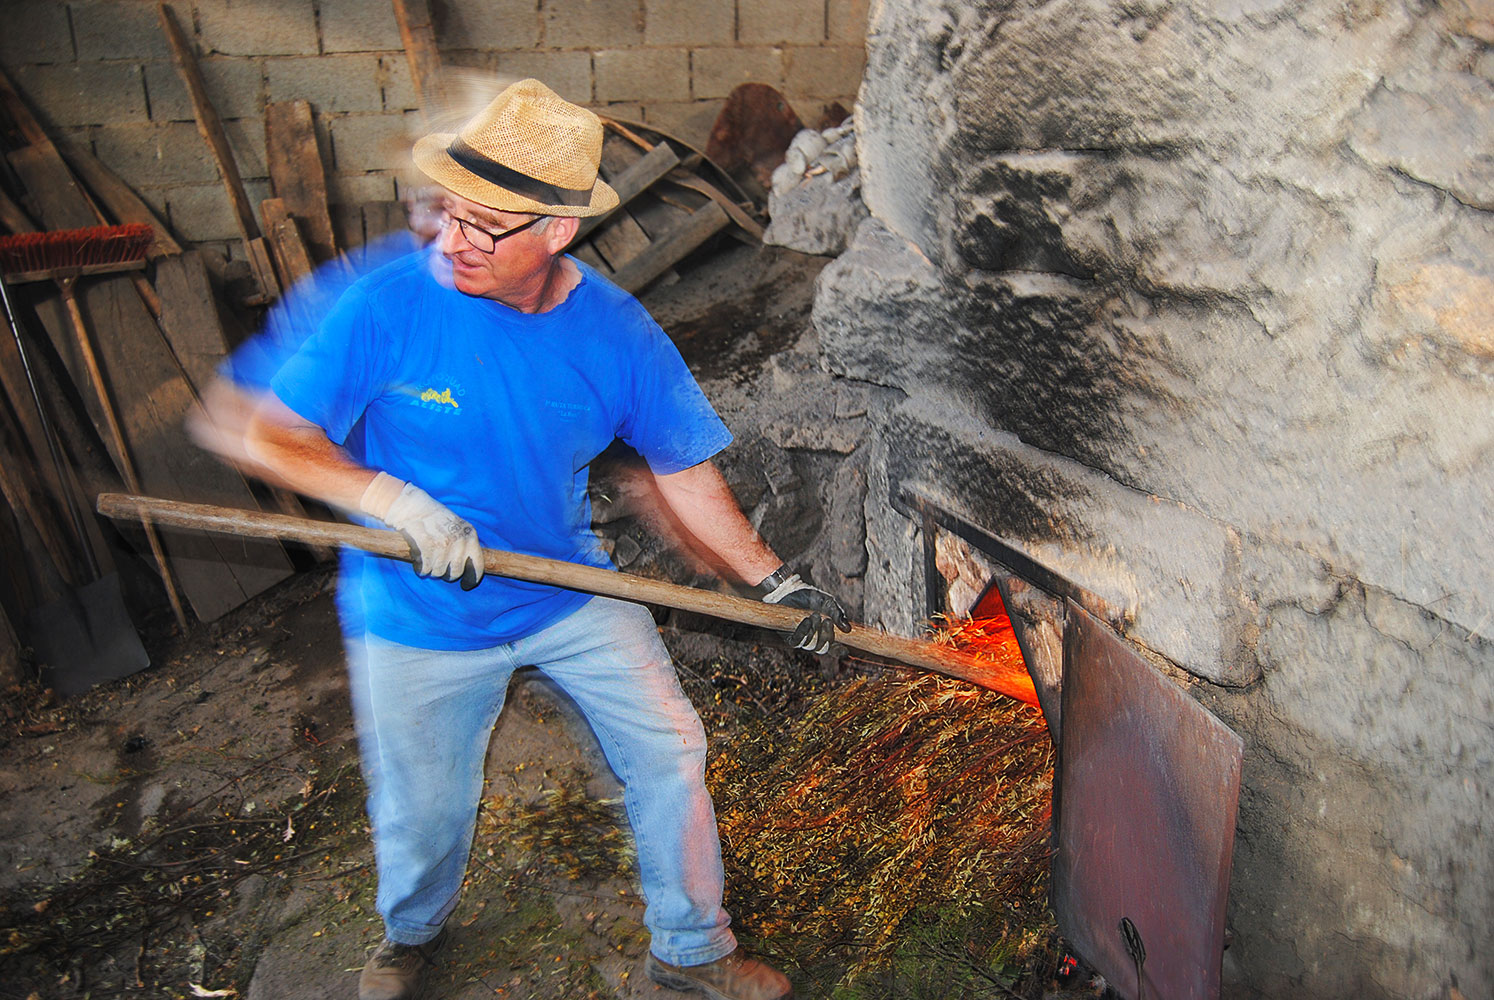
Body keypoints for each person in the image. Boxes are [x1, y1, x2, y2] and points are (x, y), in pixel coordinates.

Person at [238, 79, 849, 1000]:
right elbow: (274, 434)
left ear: (557, 231)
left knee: (670, 750)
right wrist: (395, 502)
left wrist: (774, 582)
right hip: (418, 611)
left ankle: (691, 951)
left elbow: (682, 463)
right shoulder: (390, 305)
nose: (454, 240)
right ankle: (412, 936)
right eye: (450, 213)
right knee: (425, 809)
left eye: (486, 226)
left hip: (569, 590)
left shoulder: (615, 333)